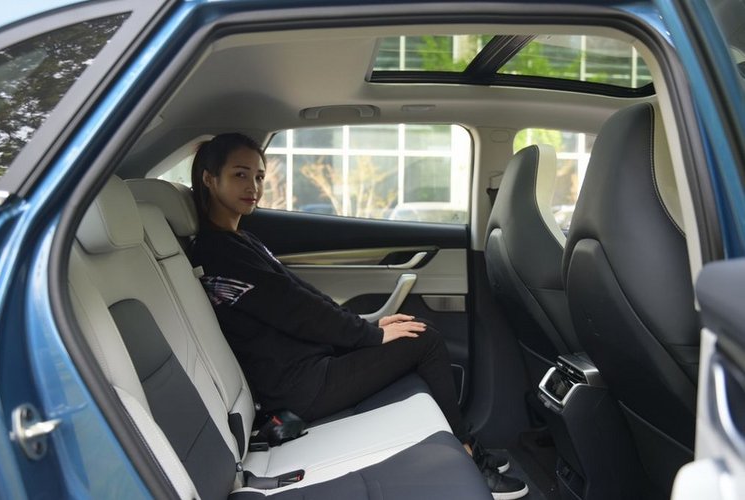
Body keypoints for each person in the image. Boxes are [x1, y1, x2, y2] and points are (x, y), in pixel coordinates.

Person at [189, 133, 528, 499]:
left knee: (414, 331)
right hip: (299, 387)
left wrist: (371, 326)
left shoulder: (241, 241)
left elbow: (302, 294)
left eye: (258, 176)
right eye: (240, 174)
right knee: (425, 341)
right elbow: (298, 310)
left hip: (307, 369)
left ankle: (464, 443)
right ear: (210, 178)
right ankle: (466, 451)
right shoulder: (219, 252)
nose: (253, 186)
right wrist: (371, 336)